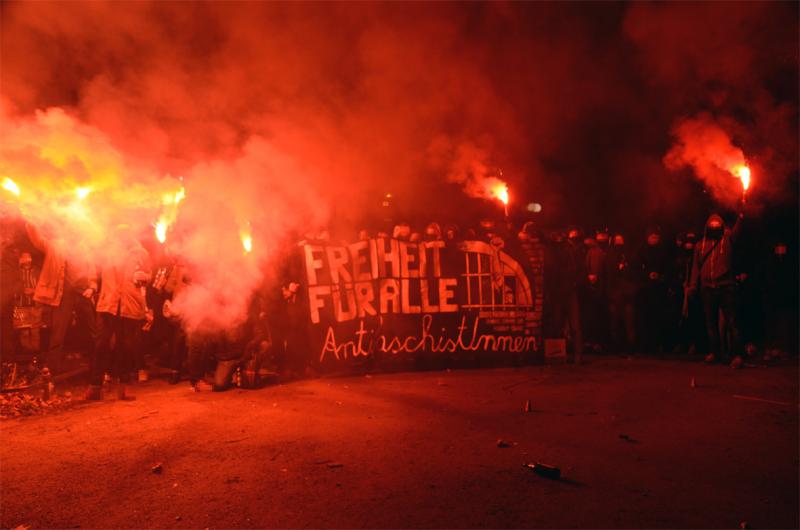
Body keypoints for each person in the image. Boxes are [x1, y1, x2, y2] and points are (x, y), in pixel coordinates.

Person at [25, 222, 99, 375]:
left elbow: (93, 271)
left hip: (83, 292)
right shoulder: (55, 246)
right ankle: (51, 370)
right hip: (63, 295)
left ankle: (97, 367)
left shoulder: (85, 250)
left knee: (93, 331)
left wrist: (92, 288)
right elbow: (37, 239)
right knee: (58, 333)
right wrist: (30, 220)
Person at [87, 226, 151, 400]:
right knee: (101, 345)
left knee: (127, 347)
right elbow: (94, 271)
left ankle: (123, 388)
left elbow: (149, 274)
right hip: (108, 303)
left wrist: (144, 277)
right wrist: (92, 286)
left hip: (129, 305)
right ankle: (95, 386)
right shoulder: (106, 251)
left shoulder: (141, 253)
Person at [687, 211, 744, 368]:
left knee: (732, 323)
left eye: (717, 224)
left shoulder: (727, 240)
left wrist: (741, 216)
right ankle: (715, 352)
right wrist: (693, 286)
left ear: (722, 226)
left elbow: (737, 231)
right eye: (711, 224)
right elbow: (695, 268)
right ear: (707, 227)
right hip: (707, 288)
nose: (714, 226)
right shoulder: (700, 245)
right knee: (710, 323)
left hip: (726, 287)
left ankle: (737, 354)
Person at [605, 233, 637, 353]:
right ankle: (616, 348)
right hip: (614, 294)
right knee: (615, 322)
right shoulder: (610, 255)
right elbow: (608, 275)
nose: (618, 242)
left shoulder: (629, 254)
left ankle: (630, 348)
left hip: (627, 294)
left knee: (629, 322)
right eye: (616, 240)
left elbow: (634, 273)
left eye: (620, 240)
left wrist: (625, 269)